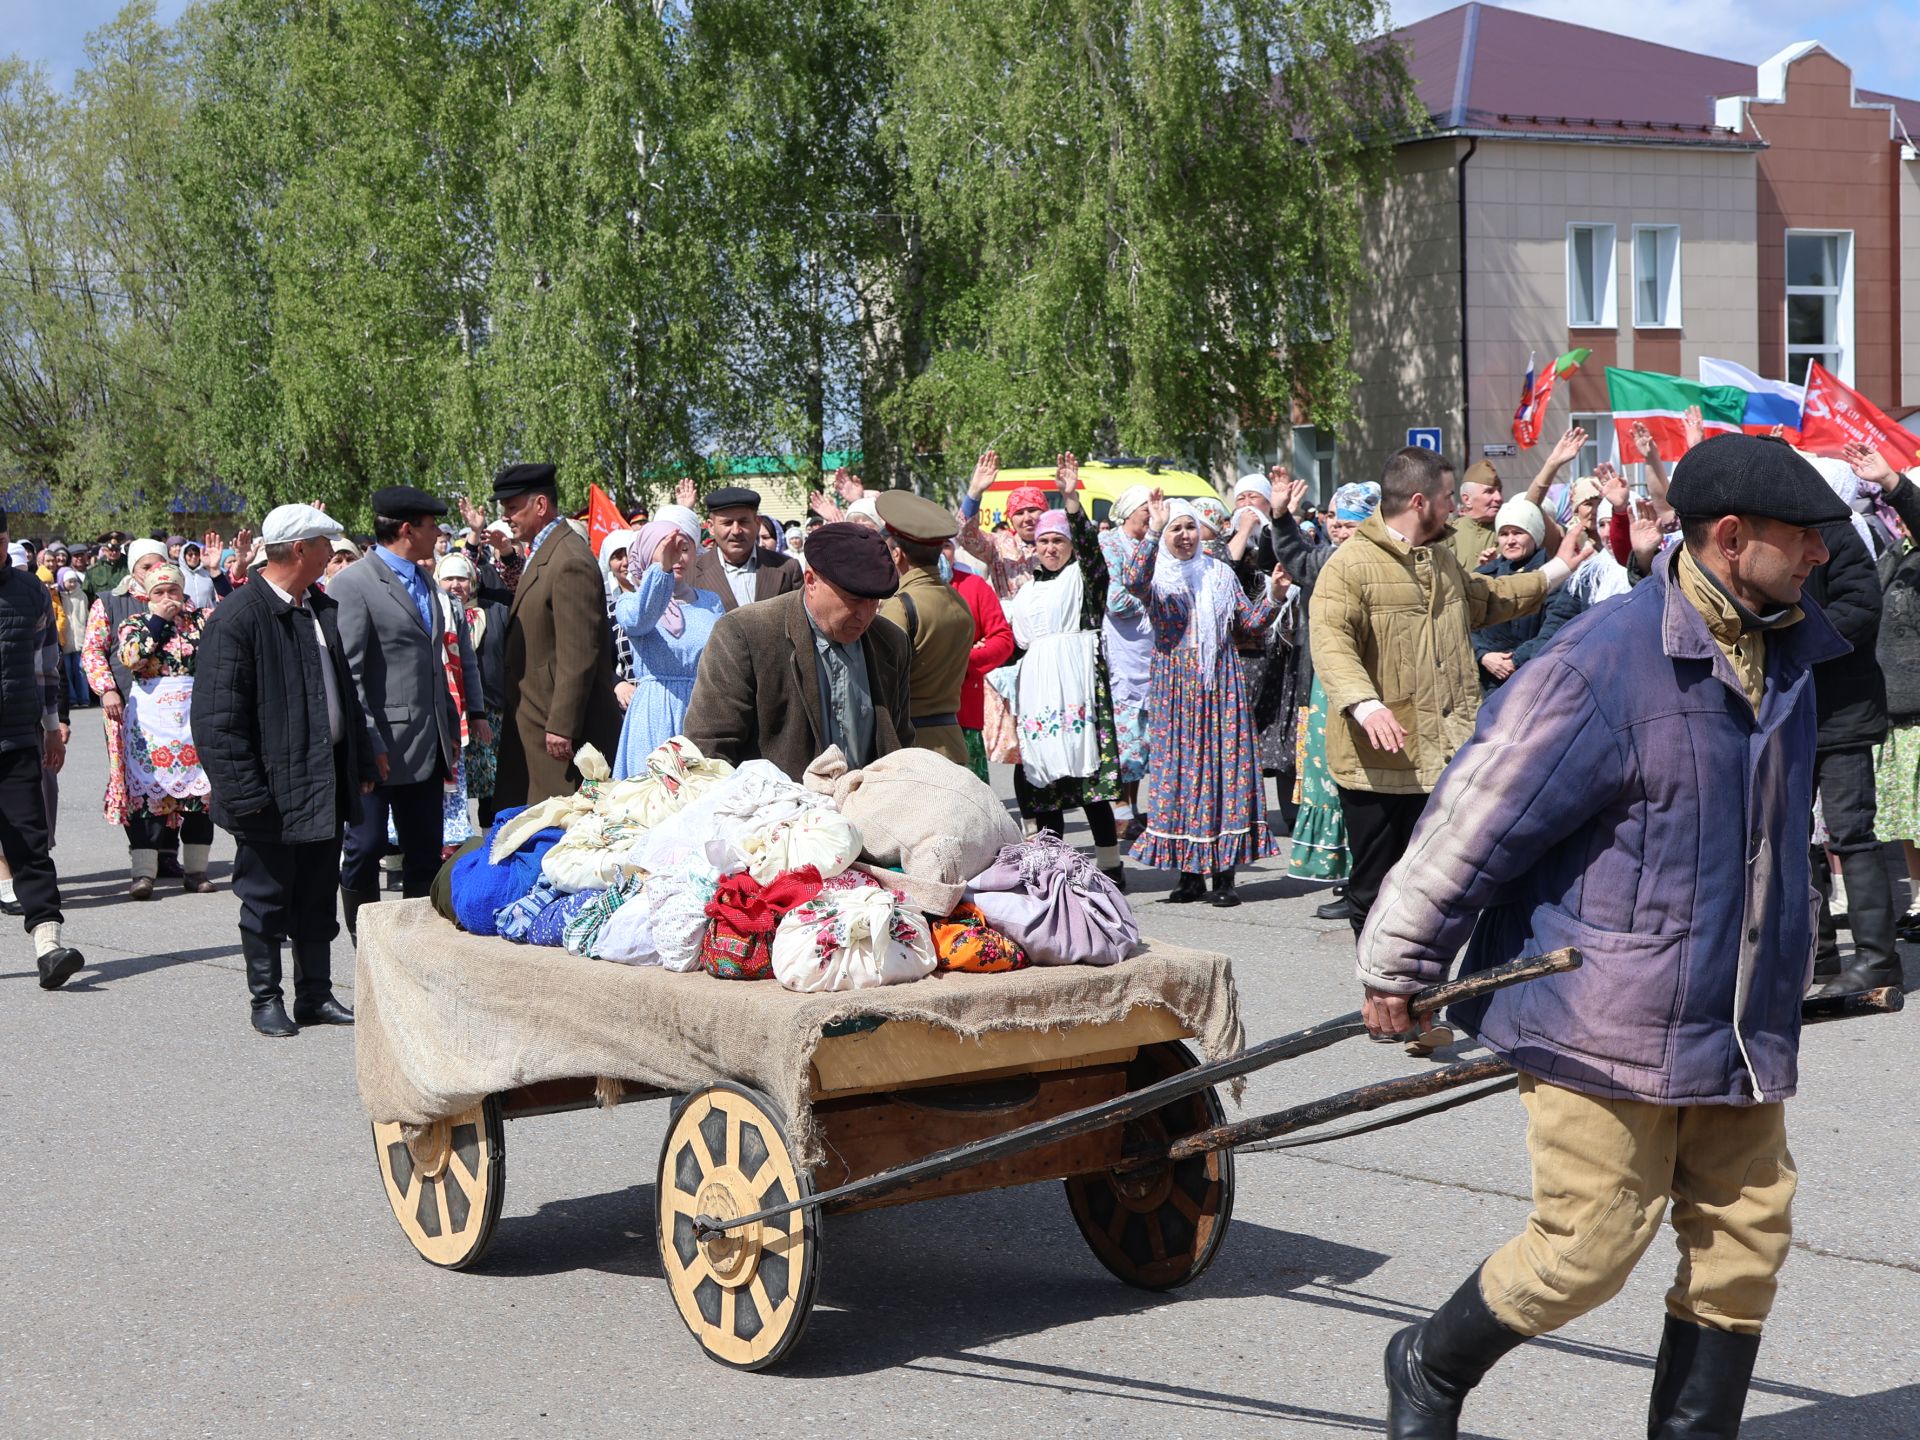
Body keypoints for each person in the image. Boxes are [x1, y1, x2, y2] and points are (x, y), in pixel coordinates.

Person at [1360, 435, 1850, 1439]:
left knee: (1745, 1246)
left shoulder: (1791, 649)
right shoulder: (1603, 661)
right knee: (1584, 1250)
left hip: (1740, 1014)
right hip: (1608, 1009)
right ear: (1730, 536)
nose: (1820, 557)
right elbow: (1480, 814)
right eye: (1803, 538)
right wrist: (1401, 964)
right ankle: (1426, 1364)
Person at [1310, 447, 1588, 938]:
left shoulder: (1440, 558)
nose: (1454, 509)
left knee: (1433, 887)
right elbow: (1331, 644)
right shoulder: (1349, 565)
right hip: (1378, 765)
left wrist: (1556, 571)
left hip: (1441, 754)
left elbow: (1487, 599)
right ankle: (1382, 1001)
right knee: (1375, 890)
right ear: (1419, 502)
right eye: (1446, 498)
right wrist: (1366, 704)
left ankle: (1420, 996)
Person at [190, 504, 376, 1036]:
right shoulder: (238, 616)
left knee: (318, 893)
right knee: (266, 899)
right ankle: (265, 998)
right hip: (268, 792)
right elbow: (216, 723)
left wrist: (358, 761)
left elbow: (342, 695)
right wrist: (246, 796)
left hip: (322, 778)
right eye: (326, 545)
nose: (333, 555)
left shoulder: (319, 607)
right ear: (300, 550)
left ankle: (315, 995)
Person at [1115, 490, 1288, 906]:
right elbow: (1131, 581)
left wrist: (1276, 596)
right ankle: (1189, 875)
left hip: (1221, 685)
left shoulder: (1219, 573)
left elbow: (1248, 625)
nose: (1186, 534)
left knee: (1225, 775)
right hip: (1175, 688)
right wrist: (1153, 531)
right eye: (1177, 527)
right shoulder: (1157, 577)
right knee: (1182, 776)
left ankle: (1224, 876)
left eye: (1190, 526)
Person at [328, 486, 485, 937]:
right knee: (366, 847)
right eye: (431, 525)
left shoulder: (427, 582)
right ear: (405, 529)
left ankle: (413, 950)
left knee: (423, 851)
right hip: (379, 746)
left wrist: (455, 724)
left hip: (429, 742)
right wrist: (370, 740)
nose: (438, 533)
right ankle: (369, 946)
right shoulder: (353, 583)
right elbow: (351, 672)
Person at [683, 521, 913, 781]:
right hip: (773, 815)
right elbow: (708, 752)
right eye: (853, 600)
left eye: (874, 602)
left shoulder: (891, 642)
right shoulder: (744, 634)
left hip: (867, 814)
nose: (865, 615)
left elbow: (900, 743)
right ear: (811, 580)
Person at [999, 459, 1128, 883]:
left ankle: (1111, 865)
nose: (1050, 548)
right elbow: (1017, 641)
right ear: (1033, 547)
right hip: (1039, 688)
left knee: (1087, 778)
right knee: (1044, 782)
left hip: (1077, 687)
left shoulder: (1084, 579)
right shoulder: (1028, 590)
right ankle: (1052, 868)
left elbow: (1093, 554)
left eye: (1059, 540)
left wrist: (1071, 500)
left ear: (1071, 545)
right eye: (1043, 542)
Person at [488, 464, 623, 809]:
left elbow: (579, 650)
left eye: (513, 507)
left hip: (560, 729)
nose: (507, 517)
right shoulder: (546, 552)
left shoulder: (568, 559)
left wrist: (562, 724)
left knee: (560, 826)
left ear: (541, 505)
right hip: (538, 716)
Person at [0, 511, 83, 988]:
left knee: (31, 845)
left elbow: (47, 666)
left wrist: (53, 726)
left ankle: (49, 946)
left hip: (16, 738)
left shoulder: (30, 590)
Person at [1282, 482, 1371, 905]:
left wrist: (1281, 518)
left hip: (1362, 684)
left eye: (1349, 522)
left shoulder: (1368, 561)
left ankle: (1362, 882)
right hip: (1327, 680)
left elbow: (1299, 562)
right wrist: (1281, 517)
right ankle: (1351, 878)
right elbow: (1298, 562)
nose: (1338, 527)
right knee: (1332, 779)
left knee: (1357, 780)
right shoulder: (1333, 557)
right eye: (1334, 519)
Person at [85, 537, 190, 888]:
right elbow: (93, 652)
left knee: (176, 777)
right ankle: (142, 857)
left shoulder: (177, 600)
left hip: (174, 714)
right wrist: (107, 689)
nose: (154, 573)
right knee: (137, 783)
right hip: (126, 709)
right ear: (133, 570)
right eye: (146, 567)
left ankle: (168, 854)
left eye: (159, 564)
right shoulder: (110, 603)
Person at [114, 565, 218, 895]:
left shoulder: (200, 621)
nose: (167, 598)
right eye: (159, 593)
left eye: (173, 591)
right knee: (148, 799)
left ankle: (197, 871)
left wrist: (221, 575)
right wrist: (157, 622)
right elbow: (132, 658)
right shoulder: (133, 624)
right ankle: (143, 874)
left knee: (200, 799)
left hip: (192, 721)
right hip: (151, 727)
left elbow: (231, 625)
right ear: (147, 596)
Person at [611, 512, 723, 777]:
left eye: (684, 549)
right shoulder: (631, 601)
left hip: (702, 708)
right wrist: (661, 572)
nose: (677, 558)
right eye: (667, 551)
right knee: (655, 800)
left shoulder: (711, 601)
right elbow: (642, 618)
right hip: (655, 711)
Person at [875, 490, 974, 767]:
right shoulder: (957, 600)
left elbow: (882, 684)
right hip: (951, 743)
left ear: (896, 554)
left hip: (912, 748)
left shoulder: (900, 606)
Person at [1097, 486, 1157, 839]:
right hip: (1121, 648)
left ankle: (1132, 809)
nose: (1150, 515)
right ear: (1129, 511)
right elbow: (1116, 599)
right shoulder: (1111, 544)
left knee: (1145, 736)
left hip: (1150, 648)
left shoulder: (1152, 543)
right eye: (1145, 509)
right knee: (1124, 734)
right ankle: (1118, 811)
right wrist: (1153, 597)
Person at [435, 553, 506, 825]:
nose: (455, 585)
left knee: (492, 787)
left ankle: (491, 850)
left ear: (473, 581)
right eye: (448, 578)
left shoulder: (496, 612)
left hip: (490, 714)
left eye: (462, 578)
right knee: (453, 788)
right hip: (450, 714)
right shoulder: (433, 613)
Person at [688, 485, 802, 612]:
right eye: (727, 523)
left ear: (757, 524)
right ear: (711, 527)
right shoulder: (691, 573)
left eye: (743, 522)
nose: (736, 531)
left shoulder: (787, 568)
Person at [951, 559, 1014, 784]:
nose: (938, 552)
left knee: (971, 798)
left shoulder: (973, 586)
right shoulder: (898, 586)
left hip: (963, 710)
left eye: (945, 545)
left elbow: (1002, 639)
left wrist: (962, 658)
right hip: (912, 714)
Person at [598, 528, 641, 712]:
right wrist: (617, 684)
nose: (626, 562)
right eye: (617, 557)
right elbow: (602, 662)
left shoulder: (664, 601)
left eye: (629, 554)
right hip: (631, 706)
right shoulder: (609, 613)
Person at [1449, 460, 1504, 570]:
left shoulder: (1508, 531)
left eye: (1499, 491)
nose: (1499, 498)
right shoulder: (1449, 533)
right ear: (1467, 499)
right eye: (1489, 491)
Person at [56, 566, 89, 710]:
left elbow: (86, 616)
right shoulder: (59, 597)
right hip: (66, 640)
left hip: (81, 639)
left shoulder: (81, 595)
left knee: (81, 670)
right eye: (69, 581)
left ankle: (84, 697)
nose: (72, 584)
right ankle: (72, 698)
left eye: (74, 581)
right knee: (67, 671)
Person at [84, 533, 125, 604]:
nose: (114, 552)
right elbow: (86, 595)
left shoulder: (129, 568)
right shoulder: (93, 571)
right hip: (103, 610)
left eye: (117, 550)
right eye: (111, 550)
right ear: (104, 550)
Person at [177, 540, 220, 610]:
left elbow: (214, 598)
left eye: (196, 554)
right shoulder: (178, 574)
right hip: (185, 616)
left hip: (207, 616)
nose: (194, 557)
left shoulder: (207, 575)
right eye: (190, 555)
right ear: (184, 556)